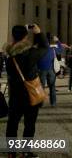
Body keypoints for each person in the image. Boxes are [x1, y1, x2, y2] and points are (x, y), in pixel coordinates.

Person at [4, 24, 49, 153]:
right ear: (26, 36)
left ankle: (11, 152)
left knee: (12, 124)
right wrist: (38, 33)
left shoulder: (9, 54)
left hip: (15, 94)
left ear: (13, 36)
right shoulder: (30, 53)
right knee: (29, 124)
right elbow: (45, 47)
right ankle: (26, 151)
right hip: (30, 93)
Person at [37, 39, 58, 107]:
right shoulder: (52, 49)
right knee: (52, 87)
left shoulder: (39, 50)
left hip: (42, 70)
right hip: (51, 70)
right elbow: (59, 51)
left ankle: (41, 103)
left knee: (42, 87)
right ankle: (53, 103)